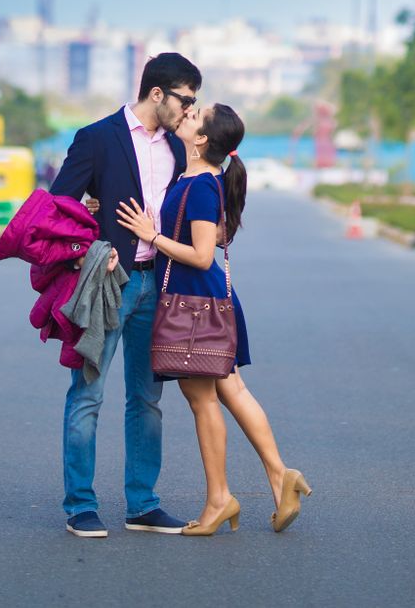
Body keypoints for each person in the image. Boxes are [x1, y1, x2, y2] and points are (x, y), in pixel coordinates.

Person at [116, 102, 312, 536]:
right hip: (205, 303)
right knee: (232, 391)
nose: (187, 112)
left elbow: (203, 256)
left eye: (195, 113)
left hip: (195, 305)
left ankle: (220, 499)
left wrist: (153, 236)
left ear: (202, 139)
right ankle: (280, 478)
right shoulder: (195, 178)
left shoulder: (202, 185)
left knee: (204, 398)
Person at [49, 51, 201, 539]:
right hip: (109, 284)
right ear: (157, 93)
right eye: (185, 99)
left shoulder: (178, 148)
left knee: (148, 398)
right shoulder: (97, 138)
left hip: (158, 282)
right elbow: (58, 208)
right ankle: (80, 506)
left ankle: (142, 504)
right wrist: (87, 252)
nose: (189, 110)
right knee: (88, 393)